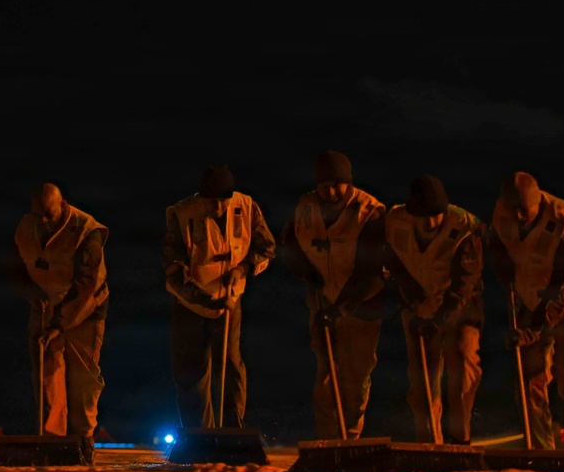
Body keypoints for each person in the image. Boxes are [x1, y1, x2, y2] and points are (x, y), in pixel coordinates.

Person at [485, 170, 564, 472]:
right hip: (530, 294)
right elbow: (494, 239)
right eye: (514, 209)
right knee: (530, 373)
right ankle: (541, 447)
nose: (520, 216)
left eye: (526, 209)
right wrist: (501, 265)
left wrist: (535, 327)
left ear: (539, 203)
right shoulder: (503, 212)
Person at [278, 150, 387, 440]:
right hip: (322, 301)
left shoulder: (370, 212)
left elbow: (372, 271)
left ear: (348, 182)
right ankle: (328, 440)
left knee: (355, 376)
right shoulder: (306, 205)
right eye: (324, 185)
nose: (331, 191)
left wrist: (343, 307)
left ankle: (350, 438)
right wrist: (306, 273)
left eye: (337, 184)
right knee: (326, 376)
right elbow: (289, 243)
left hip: (362, 306)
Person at [163, 165, 276, 428]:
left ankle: (232, 432)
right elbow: (173, 272)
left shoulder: (247, 207)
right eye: (210, 202)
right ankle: (198, 434)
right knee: (192, 371)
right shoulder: (180, 214)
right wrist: (205, 299)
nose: (216, 208)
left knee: (231, 366)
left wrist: (242, 269)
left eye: (221, 202)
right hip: (190, 303)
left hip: (230, 301)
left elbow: (266, 248)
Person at [6, 183, 109, 464]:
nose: (44, 222)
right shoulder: (26, 227)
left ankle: (84, 437)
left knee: (83, 379)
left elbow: (85, 284)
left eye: (49, 215)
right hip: (44, 306)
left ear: (62, 204)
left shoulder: (86, 231)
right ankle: (55, 441)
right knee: (48, 375)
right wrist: (32, 293)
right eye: (39, 215)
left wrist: (57, 324)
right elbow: (15, 270)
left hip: (84, 307)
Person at [382, 174, 485, 445]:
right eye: (422, 216)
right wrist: (406, 288)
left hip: (459, 307)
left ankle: (459, 440)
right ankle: (429, 442)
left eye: (436, 215)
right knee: (422, 380)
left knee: (463, 365)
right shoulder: (395, 221)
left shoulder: (465, 228)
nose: (430, 222)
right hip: (418, 306)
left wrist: (439, 320)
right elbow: (388, 255)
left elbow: (465, 283)